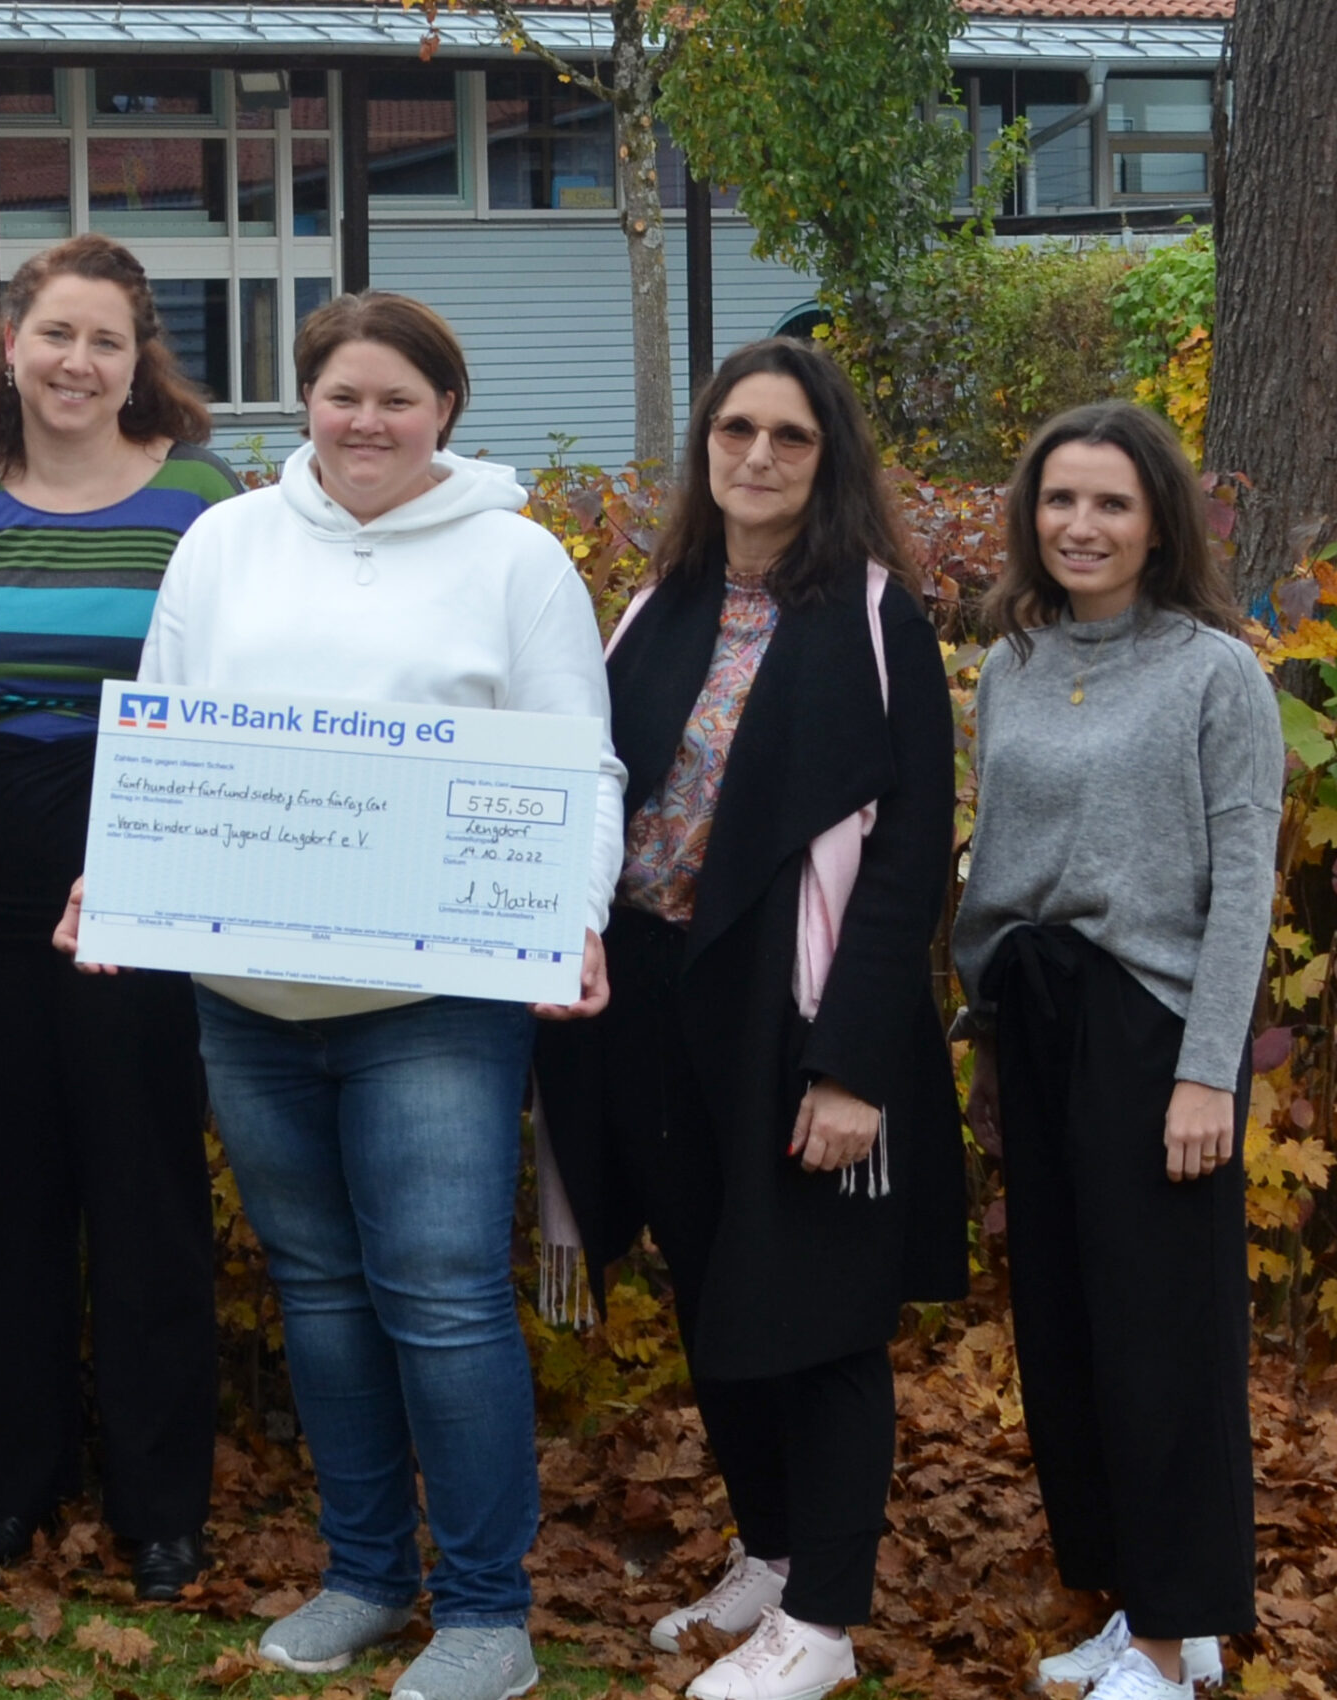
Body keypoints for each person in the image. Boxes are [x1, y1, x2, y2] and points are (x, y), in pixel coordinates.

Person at [61, 292, 627, 1700]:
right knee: (318, 1294)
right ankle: (368, 1575)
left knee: (440, 1298)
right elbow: (170, 732)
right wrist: (108, 877)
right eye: (340, 395)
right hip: (249, 1000)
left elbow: (580, 766)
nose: (365, 421)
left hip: (435, 1005)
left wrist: (573, 909)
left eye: (396, 398)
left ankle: (488, 1613)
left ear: (446, 410)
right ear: (302, 401)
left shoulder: (518, 561)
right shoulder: (227, 541)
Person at [531, 337, 962, 1700]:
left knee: (819, 1316)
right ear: (705, 446)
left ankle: (825, 1624)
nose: (758, 457)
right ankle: (770, 1558)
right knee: (717, 1297)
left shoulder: (881, 620)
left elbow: (904, 864)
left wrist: (849, 1067)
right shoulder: (657, 605)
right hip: (656, 1009)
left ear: (828, 458)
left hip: (798, 1017)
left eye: (789, 436)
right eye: (736, 432)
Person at [0, 233, 240, 1597]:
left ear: (137, 360)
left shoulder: (207, 504)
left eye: (106, 340)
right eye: (55, 336)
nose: (78, 362)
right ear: (9, 349)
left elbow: (238, 679)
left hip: (148, 869)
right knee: (8, 1192)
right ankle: (15, 1490)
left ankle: (164, 1506)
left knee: (147, 1187)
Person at [955, 402, 1273, 1700]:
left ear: (1159, 526)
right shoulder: (1012, 667)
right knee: (1069, 1332)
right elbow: (995, 872)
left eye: (1112, 504)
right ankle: (1138, 1606)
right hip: (1034, 1026)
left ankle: (1171, 1633)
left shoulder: (1215, 673)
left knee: (1163, 1339)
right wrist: (983, 1042)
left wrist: (1210, 1069)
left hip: (1152, 1031)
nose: (1080, 526)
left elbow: (1243, 884)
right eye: (1059, 501)